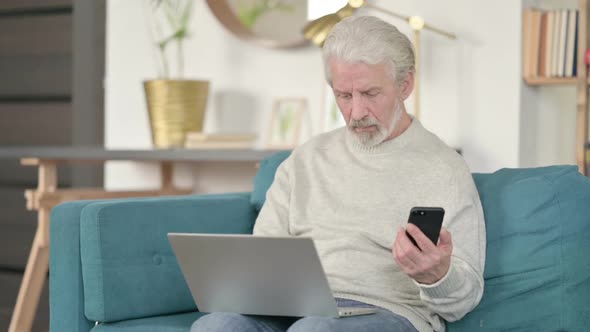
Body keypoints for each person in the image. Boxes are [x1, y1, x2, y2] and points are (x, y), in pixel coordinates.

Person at [191, 15, 485, 332]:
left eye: (371, 94)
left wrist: (437, 276)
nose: (356, 113)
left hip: (388, 312)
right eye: (344, 96)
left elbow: (464, 301)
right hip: (294, 309)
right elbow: (262, 261)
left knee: (315, 330)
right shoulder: (304, 159)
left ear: (405, 84)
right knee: (217, 325)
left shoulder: (444, 168)